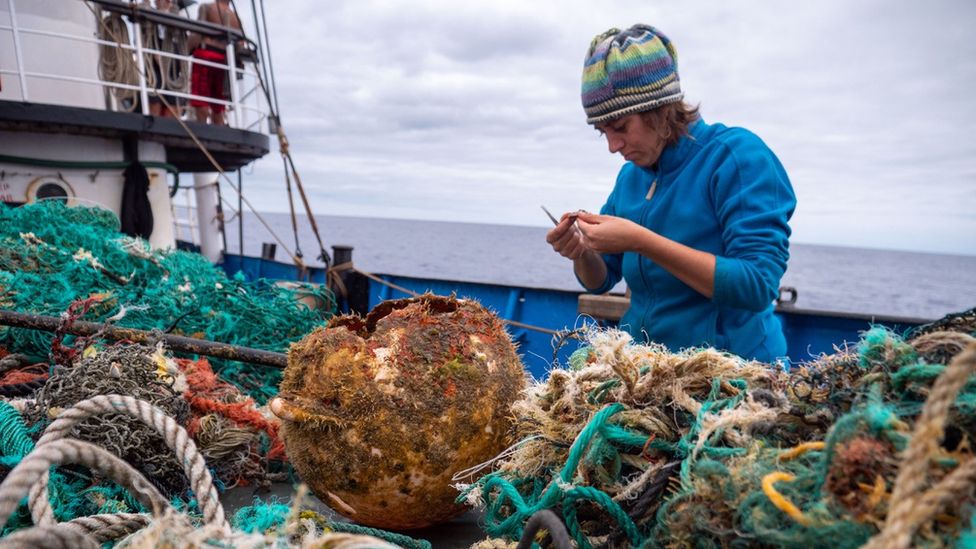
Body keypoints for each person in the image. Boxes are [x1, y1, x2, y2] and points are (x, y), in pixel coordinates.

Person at [546, 24, 796, 363]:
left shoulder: (736, 158)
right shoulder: (630, 177)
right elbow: (600, 279)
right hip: (648, 368)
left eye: (620, 127)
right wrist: (580, 252)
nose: (612, 146)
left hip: (731, 371)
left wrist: (641, 241)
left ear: (662, 109)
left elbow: (756, 285)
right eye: (601, 131)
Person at [187, 0, 241, 125]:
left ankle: (201, 129)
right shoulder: (235, 17)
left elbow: (197, 33)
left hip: (205, 56)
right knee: (218, 105)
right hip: (224, 61)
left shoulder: (206, 8)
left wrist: (184, 50)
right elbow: (239, 44)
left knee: (201, 99)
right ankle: (219, 130)